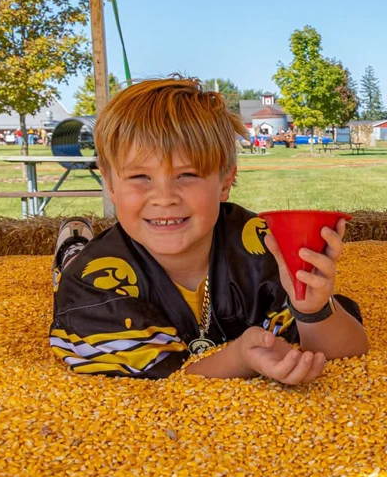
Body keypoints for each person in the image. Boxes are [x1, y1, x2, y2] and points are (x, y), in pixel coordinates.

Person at [49, 78, 368, 383]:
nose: (164, 198)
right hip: (100, 274)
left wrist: (310, 308)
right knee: (76, 266)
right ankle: (73, 251)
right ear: (110, 186)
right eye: (139, 177)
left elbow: (349, 351)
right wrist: (239, 359)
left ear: (225, 181)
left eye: (186, 174)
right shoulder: (90, 284)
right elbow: (164, 379)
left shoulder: (262, 246)